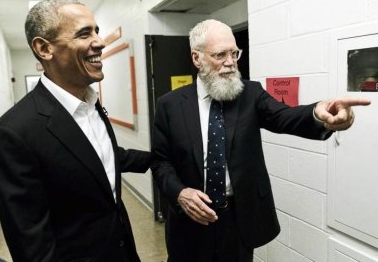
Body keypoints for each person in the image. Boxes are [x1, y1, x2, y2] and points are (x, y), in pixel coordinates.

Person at [151, 19, 371, 262]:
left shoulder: (251, 94)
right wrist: (180, 193)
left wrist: (319, 114)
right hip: (190, 219)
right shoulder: (169, 105)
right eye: (220, 55)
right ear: (196, 58)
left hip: (238, 219)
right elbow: (161, 162)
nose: (230, 62)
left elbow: (284, 116)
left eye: (234, 53)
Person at [0, 0, 151, 262]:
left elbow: (95, 158)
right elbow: (33, 248)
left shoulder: (91, 103)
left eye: (96, 30)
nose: (99, 41)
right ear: (44, 48)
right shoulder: (12, 134)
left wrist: (158, 157)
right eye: (84, 33)